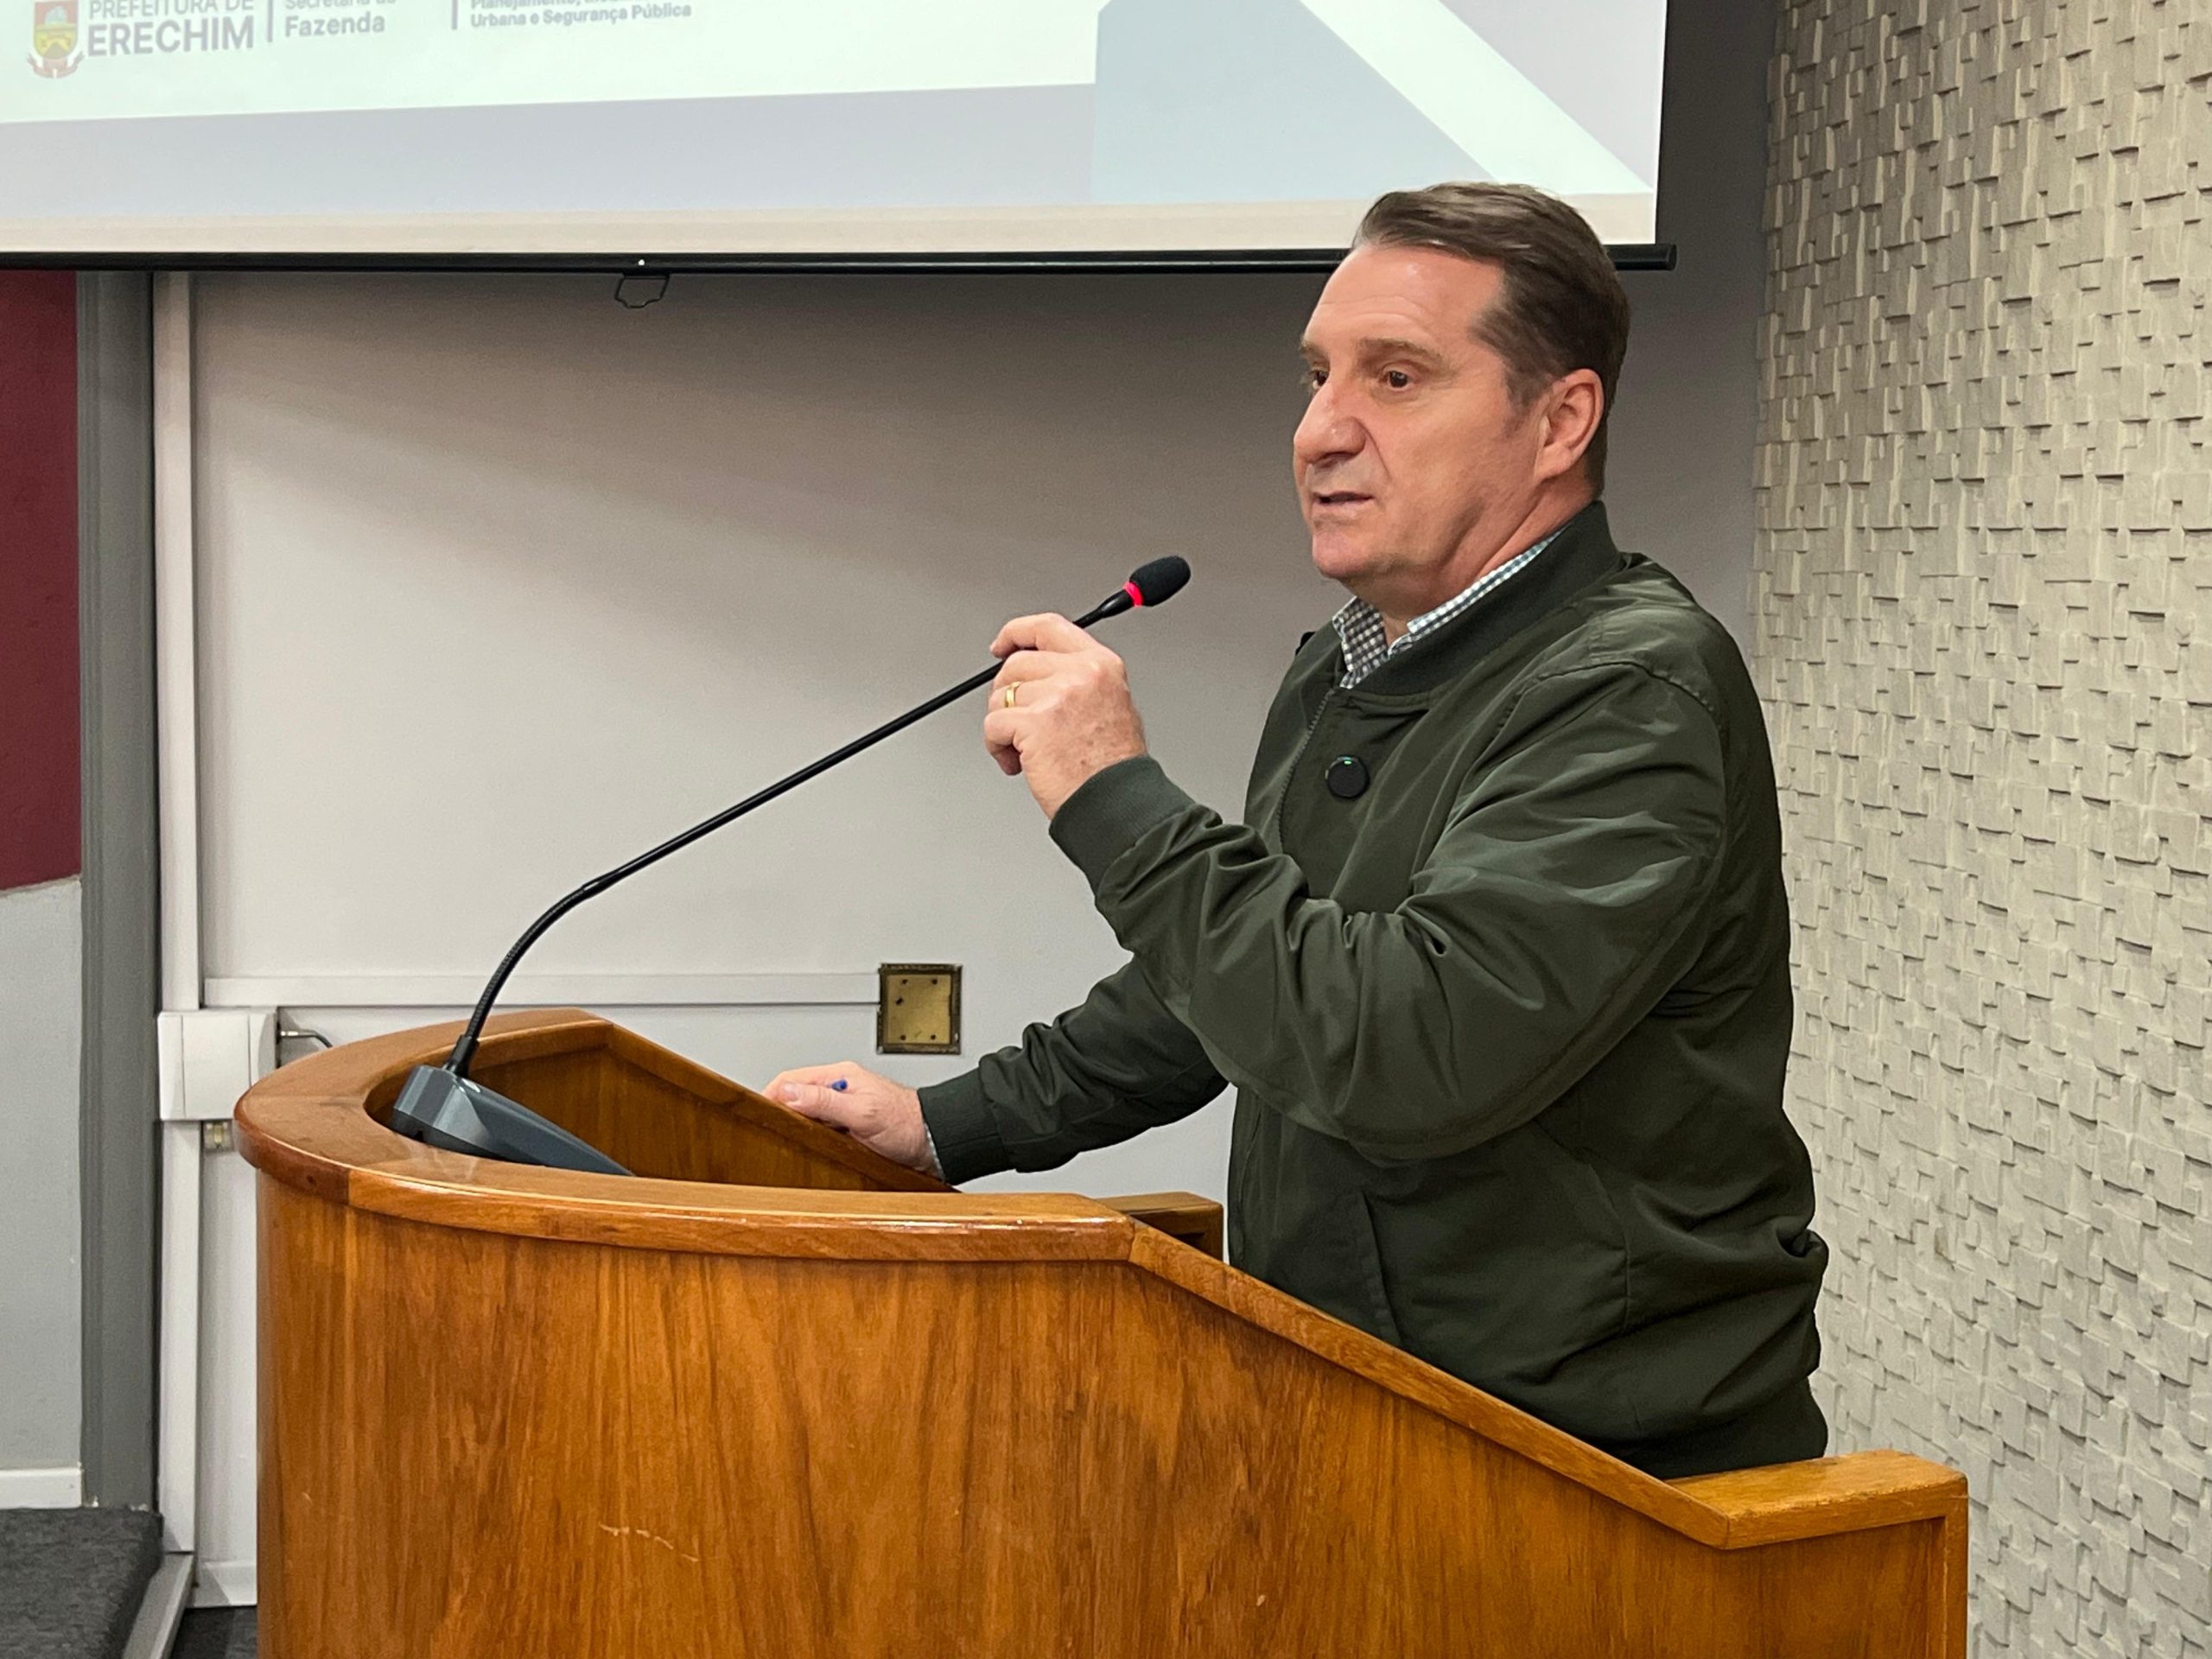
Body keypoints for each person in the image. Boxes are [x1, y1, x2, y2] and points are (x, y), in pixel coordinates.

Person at [767, 181, 1827, 1479]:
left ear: (1560, 422)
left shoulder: (1628, 689)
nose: (1322, 432)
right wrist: (953, 1126)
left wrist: (1114, 796)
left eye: (1396, 378)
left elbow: (1404, 1050)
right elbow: (1235, 988)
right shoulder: (1348, 660)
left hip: (1590, 1471)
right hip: (1363, 1403)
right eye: (1320, 378)